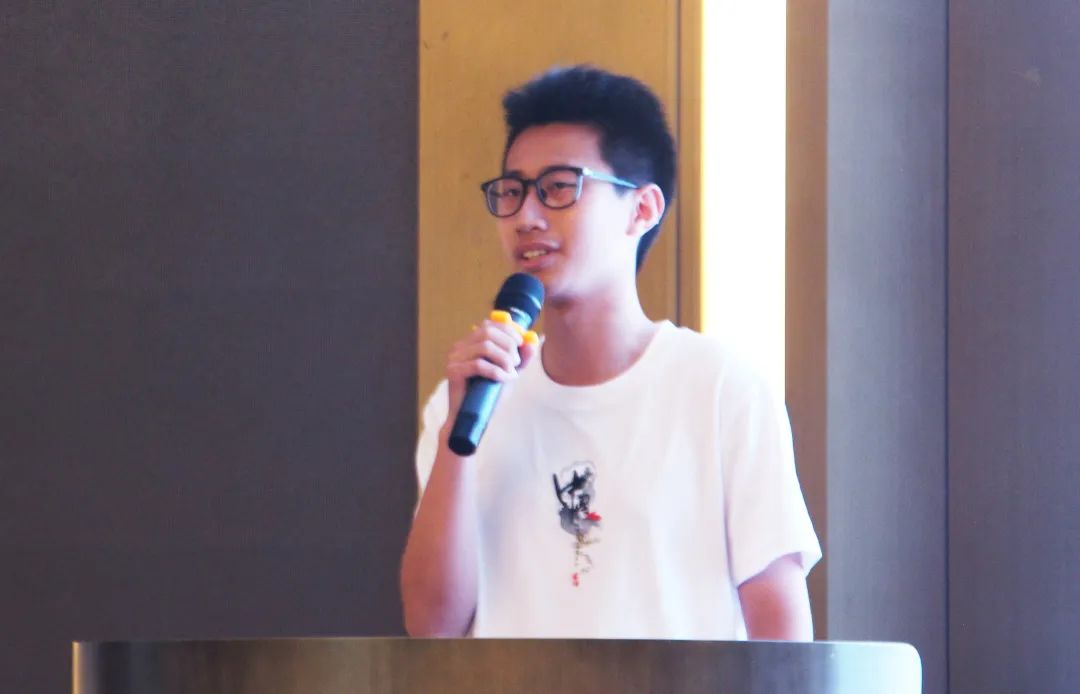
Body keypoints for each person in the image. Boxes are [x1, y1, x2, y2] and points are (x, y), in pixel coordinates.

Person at [400, 65, 820, 640]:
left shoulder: (722, 388)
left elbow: (782, 636)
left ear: (641, 209)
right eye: (513, 192)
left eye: (558, 187)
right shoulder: (468, 401)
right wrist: (458, 437)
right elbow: (431, 627)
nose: (527, 217)